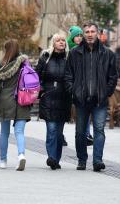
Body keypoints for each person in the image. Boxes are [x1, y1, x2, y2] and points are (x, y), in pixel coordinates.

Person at [64, 23, 118, 172]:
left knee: (99, 130)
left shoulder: (108, 54)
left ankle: (97, 160)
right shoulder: (75, 53)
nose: (89, 34)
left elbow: (113, 76)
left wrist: (106, 92)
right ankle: (82, 160)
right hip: (81, 99)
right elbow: (68, 75)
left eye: (92, 31)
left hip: (100, 99)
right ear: (83, 34)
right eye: (86, 32)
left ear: (97, 33)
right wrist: (73, 91)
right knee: (80, 132)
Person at [0, 39, 30, 171]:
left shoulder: (2, 64)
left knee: (4, 132)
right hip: (23, 100)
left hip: (6, 100)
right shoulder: (25, 63)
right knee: (19, 132)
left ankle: (3, 160)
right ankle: (21, 154)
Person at [35, 34, 71, 170]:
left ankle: (56, 158)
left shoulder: (69, 58)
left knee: (59, 132)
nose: (61, 42)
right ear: (53, 43)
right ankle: (51, 157)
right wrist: (42, 90)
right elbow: (36, 76)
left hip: (64, 97)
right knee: (51, 130)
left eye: (63, 40)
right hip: (48, 97)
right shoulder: (45, 57)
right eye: (58, 40)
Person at [67, 25, 93, 146]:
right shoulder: (67, 50)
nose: (78, 38)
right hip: (71, 86)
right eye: (75, 36)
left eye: (80, 35)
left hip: (84, 87)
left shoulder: (86, 49)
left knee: (85, 110)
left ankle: (86, 134)